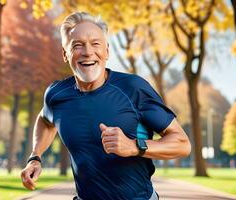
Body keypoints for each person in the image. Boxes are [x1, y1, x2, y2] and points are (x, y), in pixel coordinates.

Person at [21, 12, 191, 200]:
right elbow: (45, 120)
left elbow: (182, 144)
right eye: (77, 45)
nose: (87, 52)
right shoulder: (56, 94)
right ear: (64, 54)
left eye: (95, 44)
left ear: (107, 51)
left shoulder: (133, 88)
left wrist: (135, 147)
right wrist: (35, 157)